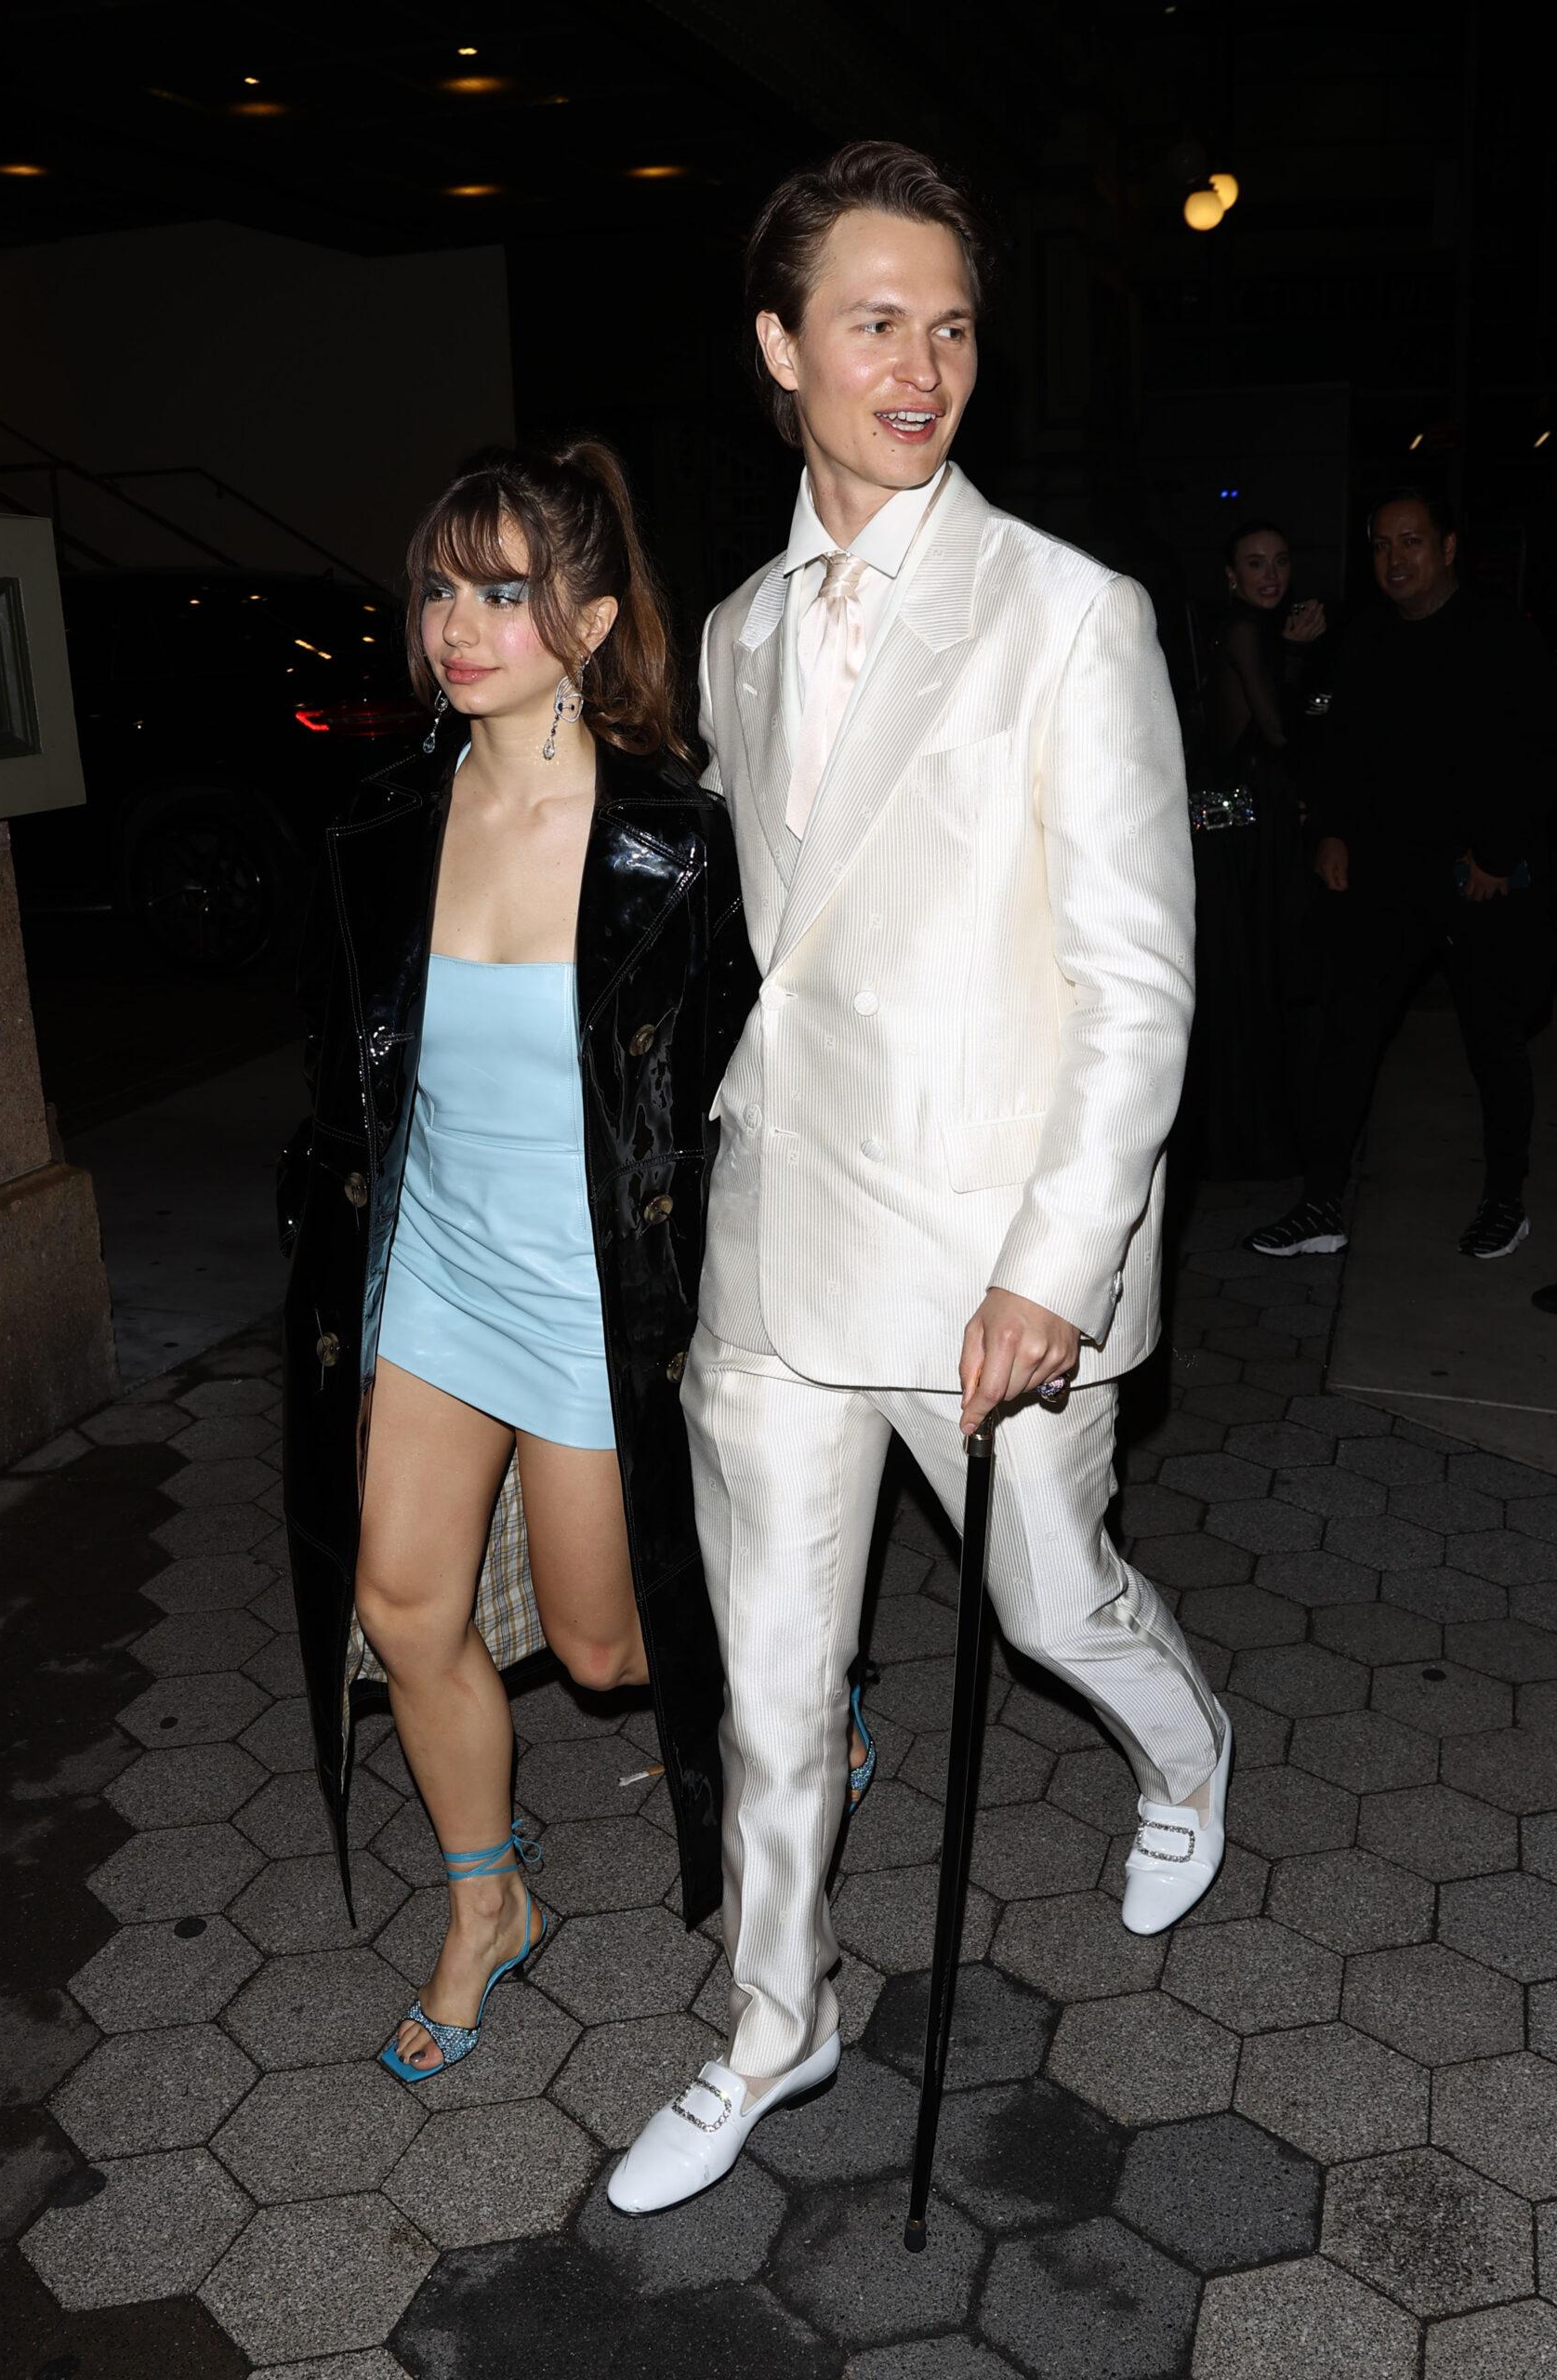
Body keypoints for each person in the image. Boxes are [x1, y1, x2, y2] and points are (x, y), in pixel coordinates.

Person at [608, 141, 1229, 2216]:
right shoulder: (739, 635)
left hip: (988, 1258)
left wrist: (1058, 1261)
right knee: (773, 1675)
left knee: (1049, 1600)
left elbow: (1135, 979)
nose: (920, 363)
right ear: (780, 346)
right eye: (873, 321)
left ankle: (1187, 1745)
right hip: (780, 1248)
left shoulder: (1069, 613)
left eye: (950, 325)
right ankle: (768, 2026)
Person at [278, 438, 759, 2079]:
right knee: (401, 1608)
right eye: (438, 587)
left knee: (611, 1652)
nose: (458, 625)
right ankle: (487, 1906)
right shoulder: (383, 822)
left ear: (592, 616)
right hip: (431, 1281)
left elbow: (734, 1103)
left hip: (586, 1303)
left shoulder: (673, 843)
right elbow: (350, 1080)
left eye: (504, 591)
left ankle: (791, 1653)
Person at [1246, 487, 1553, 1263]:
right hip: (1385, 871)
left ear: (1448, 547)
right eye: (1382, 545)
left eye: (1411, 542)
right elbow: (1339, 745)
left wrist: (1497, 853)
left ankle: (1505, 1200)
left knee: (1493, 1039)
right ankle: (1320, 1202)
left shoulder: (1498, 633)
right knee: (1348, 1033)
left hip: (1470, 875)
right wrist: (1332, 832)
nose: (1395, 560)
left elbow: (1530, 753)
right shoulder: (1368, 634)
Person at [1182, 520, 1326, 1177]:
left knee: (1260, 977)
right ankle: (1248, 1142)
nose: (1271, 575)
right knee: (1250, 978)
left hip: (1249, 826)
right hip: (1238, 835)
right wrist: (1299, 658)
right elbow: (1278, 732)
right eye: (1255, 564)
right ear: (1231, 577)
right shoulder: (1245, 632)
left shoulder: (1257, 632)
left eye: (1280, 561)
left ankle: (1257, 1136)